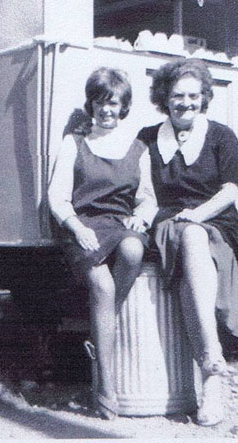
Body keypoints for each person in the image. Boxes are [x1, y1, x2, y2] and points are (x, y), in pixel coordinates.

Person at [138, 59, 238, 427]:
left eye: (193, 96)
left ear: (203, 98)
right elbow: (143, 193)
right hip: (168, 221)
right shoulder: (148, 138)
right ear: (164, 100)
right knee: (187, 235)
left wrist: (198, 215)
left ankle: (210, 369)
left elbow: (231, 189)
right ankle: (212, 364)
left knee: (194, 236)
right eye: (177, 96)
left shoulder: (220, 135)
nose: (186, 103)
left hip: (214, 220)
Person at [48, 67, 157, 420]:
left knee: (133, 249)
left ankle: (100, 331)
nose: (106, 110)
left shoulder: (139, 149)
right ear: (91, 105)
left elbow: (148, 199)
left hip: (119, 224)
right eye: (100, 102)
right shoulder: (75, 143)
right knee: (101, 284)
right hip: (83, 224)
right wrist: (76, 227)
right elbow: (57, 197)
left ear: (124, 106)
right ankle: (105, 385)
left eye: (114, 103)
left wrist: (142, 217)